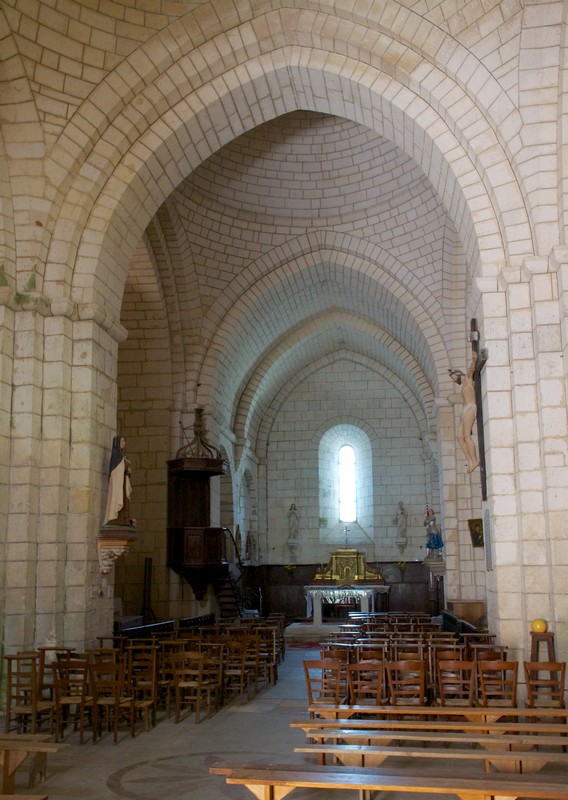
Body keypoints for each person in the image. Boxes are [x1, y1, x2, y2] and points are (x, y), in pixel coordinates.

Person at [449, 350, 479, 473]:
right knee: (459, 437)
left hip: (471, 408)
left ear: (458, 374)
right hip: (465, 410)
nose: (453, 380)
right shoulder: (462, 386)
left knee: (466, 435)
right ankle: (470, 460)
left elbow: (471, 370)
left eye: (453, 377)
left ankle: (475, 460)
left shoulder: (467, 379)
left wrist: (474, 360)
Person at [102, 435, 134, 527]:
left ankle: (124, 519)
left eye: (124, 441)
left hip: (123, 483)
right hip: (118, 485)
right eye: (122, 441)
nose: (124, 443)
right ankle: (116, 518)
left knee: (125, 500)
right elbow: (115, 473)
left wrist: (128, 472)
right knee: (118, 499)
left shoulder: (123, 457)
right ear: (117, 443)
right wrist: (126, 468)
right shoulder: (116, 457)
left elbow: (124, 470)